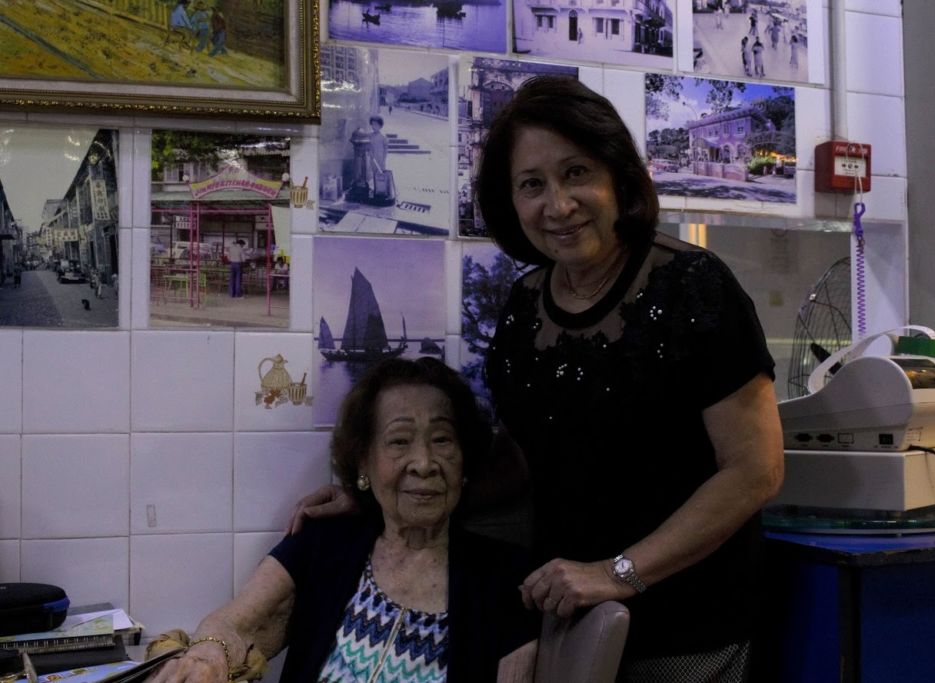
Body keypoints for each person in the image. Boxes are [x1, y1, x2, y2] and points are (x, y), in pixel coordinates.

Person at [292, 77, 784, 683]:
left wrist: (617, 572)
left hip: (685, 625)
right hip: (560, 611)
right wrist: (380, 494)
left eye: (576, 173)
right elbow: (523, 461)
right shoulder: (525, 305)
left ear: (617, 176)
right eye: (532, 185)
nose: (558, 205)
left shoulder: (695, 286)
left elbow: (755, 471)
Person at [148, 358, 538, 683]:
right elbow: (236, 623)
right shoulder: (322, 543)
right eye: (400, 441)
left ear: (465, 459)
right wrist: (206, 657)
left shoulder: (509, 579)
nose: (424, 463)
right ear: (364, 462)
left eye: (442, 440)